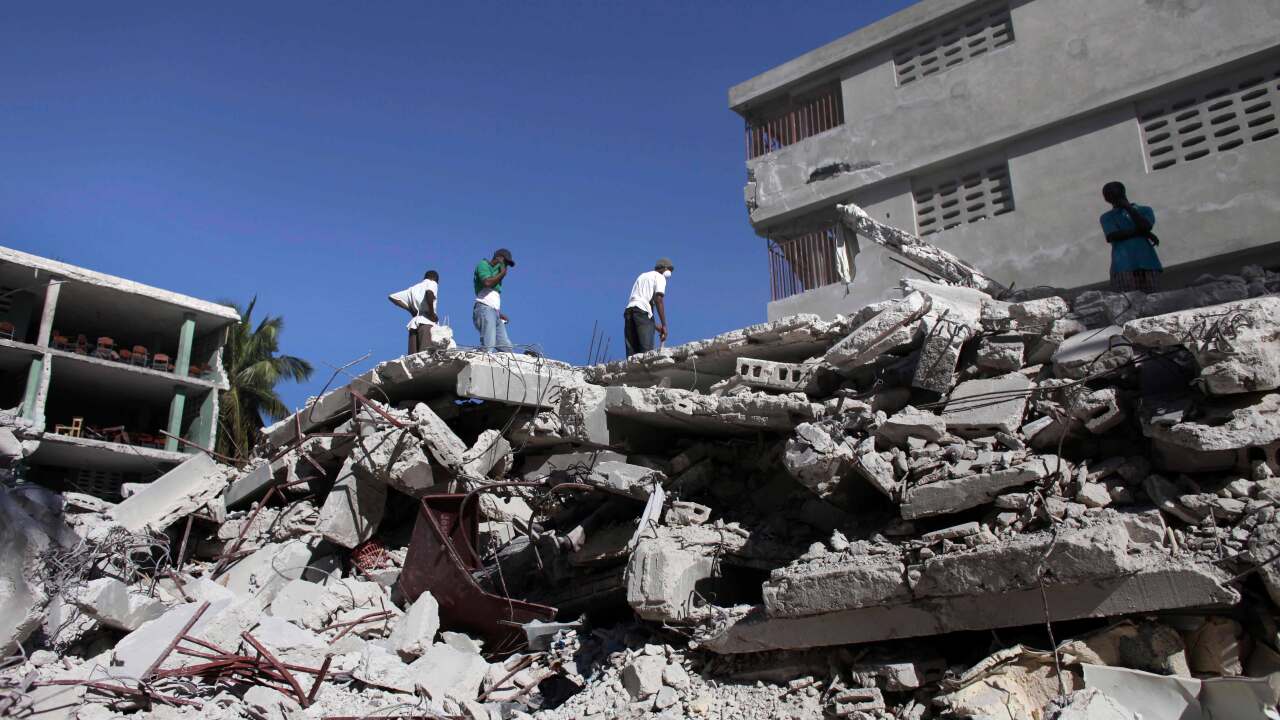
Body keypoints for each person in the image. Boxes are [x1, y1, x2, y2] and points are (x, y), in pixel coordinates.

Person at [1100, 181, 1162, 293]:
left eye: (1112, 192)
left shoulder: (1145, 210)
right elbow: (1112, 236)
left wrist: (1128, 208)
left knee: (1154, 299)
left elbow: (1146, 226)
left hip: (1148, 263)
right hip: (1123, 267)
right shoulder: (1106, 217)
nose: (1110, 195)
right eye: (1108, 193)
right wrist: (1144, 233)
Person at [624, 258, 673, 357]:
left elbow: (639, 308)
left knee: (632, 356)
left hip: (629, 312)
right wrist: (664, 325)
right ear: (666, 270)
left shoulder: (642, 276)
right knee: (646, 355)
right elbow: (658, 299)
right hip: (641, 312)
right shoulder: (660, 277)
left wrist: (654, 325)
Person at [473, 248, 515, 353]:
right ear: (499, 258)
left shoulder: (497, 274)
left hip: (493, 312)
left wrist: (498, 313)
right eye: (505, 262)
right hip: (484, 308)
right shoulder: (483, 265)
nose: (506, 267)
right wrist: (502, 274)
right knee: (488, 346)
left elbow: (491, 296)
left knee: (506, 348)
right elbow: (487, 283)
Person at [388, 270, 440, 354]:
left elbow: (392, 297)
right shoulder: (432, 283)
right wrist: (432, 313)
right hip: (426, 323)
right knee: (425, 356)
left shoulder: (413, 289)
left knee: (413, 359)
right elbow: (429, 293)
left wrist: (411, 310)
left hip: (414, 326)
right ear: (435, 279)